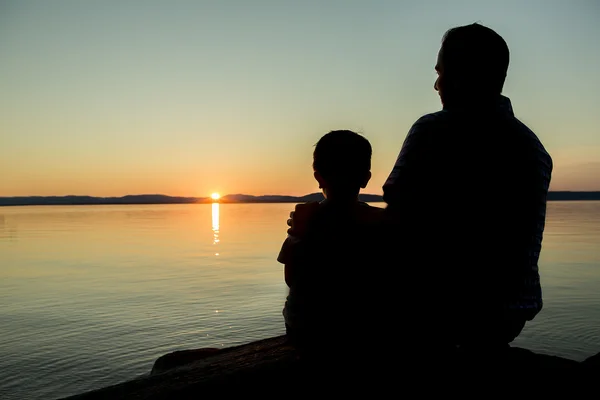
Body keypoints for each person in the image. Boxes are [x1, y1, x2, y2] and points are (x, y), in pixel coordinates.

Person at [289, 23, 553, 351]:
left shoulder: (436, 129)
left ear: (461, 74)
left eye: (441, 72)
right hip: (509, 317)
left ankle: (313, 333)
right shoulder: (535, 149)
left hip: (447, 313)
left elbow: (400, 228)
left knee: (332, 241)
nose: (436, 84)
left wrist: (319, 220)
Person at [277, 130, 384, 351]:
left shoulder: (304, 221)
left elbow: (290, 279)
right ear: (366, 178)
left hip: (308, 329)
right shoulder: (379, 221)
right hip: (360, 326)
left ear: (318, 178)